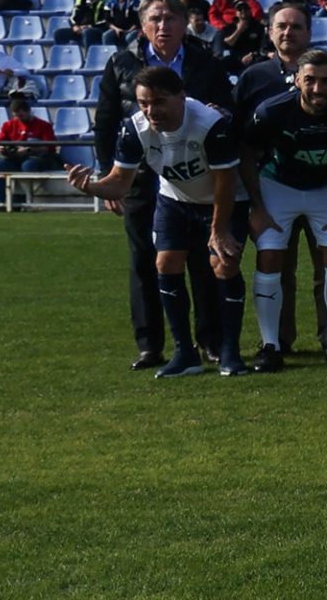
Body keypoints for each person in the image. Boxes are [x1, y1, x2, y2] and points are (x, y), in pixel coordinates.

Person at [69, 66, 249, 378]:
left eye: (159, 101)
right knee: (165, 263)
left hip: (221, 201)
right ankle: (184, 353)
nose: (152, 110)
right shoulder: (135, 128)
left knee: (224, 264)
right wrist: (92, 187)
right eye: (144, 103)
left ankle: (230, 351)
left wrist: (218, 230)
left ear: (181, 96)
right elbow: (120, 183)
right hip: (175, 200)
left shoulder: (210, 125)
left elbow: (226, 182)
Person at [94, 0, 235, 368]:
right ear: (142, 26)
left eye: (171, 17)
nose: (164, 25)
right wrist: (109, 174)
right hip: (141, 176)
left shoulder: (205, 61)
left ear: (184, 22)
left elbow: (227, 107)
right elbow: (106, 119)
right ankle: (150, 344)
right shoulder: (121, 62)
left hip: (194, 177)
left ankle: (210, 341)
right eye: (155, 18)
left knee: (204, 262)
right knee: (145, 259)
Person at [242, 51, 327, 368]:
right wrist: (257, 207)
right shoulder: (272, 111)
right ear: (297, 79)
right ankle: (270, 345)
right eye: (310, 80)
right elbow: (246, 153)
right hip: (277, 186)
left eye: (326, 81)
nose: (317, 88)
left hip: (326, 187)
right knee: (270, 256)